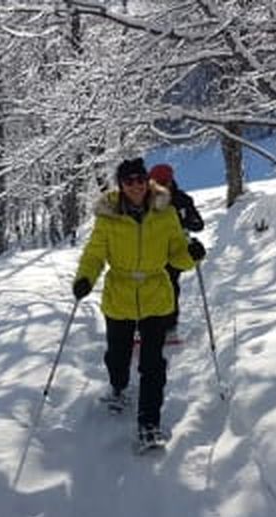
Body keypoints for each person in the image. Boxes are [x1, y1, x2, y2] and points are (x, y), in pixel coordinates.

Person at [72, 158, 207, 448]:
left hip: (155, 295)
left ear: (148, 181)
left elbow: (176, 257)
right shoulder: (108, 216)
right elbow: (95, 254)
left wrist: (191, 255)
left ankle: (149, 423)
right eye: (128, 181)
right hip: (119, 294)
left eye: (139, 180)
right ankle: (119, 387)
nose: (135, 185)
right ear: (120, 185)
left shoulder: (166, 213)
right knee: (118, 356)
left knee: (152, 364)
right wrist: (85, 278)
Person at [148, 163, 204, 335]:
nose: (162, 185)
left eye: (165, 181)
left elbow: (198, 224)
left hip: (176, 249)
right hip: (152, 248)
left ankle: (170, 324)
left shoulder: (182, 199)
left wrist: (187, 222)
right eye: (158, 182)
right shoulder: (146, 200)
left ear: (171, 180)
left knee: (170, 284)